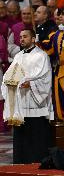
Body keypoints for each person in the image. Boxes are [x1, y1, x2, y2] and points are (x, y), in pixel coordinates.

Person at [1, 29, 53, 164]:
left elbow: (46, 79)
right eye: (20, 37)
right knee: (21, 137)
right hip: (20, 103)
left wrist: (31, 84)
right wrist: (9, 82)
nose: (22, 39)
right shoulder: (18, 56)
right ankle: (20, 162)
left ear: (33, 38)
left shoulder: (41, 56)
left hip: (36, 102)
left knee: (36, 135)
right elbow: (10, 74)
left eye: (25, 37)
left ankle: (38, 161)